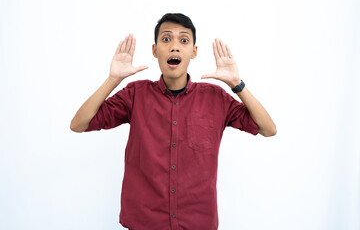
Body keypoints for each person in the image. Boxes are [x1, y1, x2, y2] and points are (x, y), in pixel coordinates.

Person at [70, 13, 276, 230]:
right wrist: (113, 79)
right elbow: (79, 124)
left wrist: (236, 83)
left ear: (194, 52)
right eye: (166, 39)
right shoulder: (135, 95)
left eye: (184, 40)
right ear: (154, 50)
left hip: (197, 223)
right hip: (144, 222)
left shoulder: (216, 98)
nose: (175, 47)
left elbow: (268, 128)